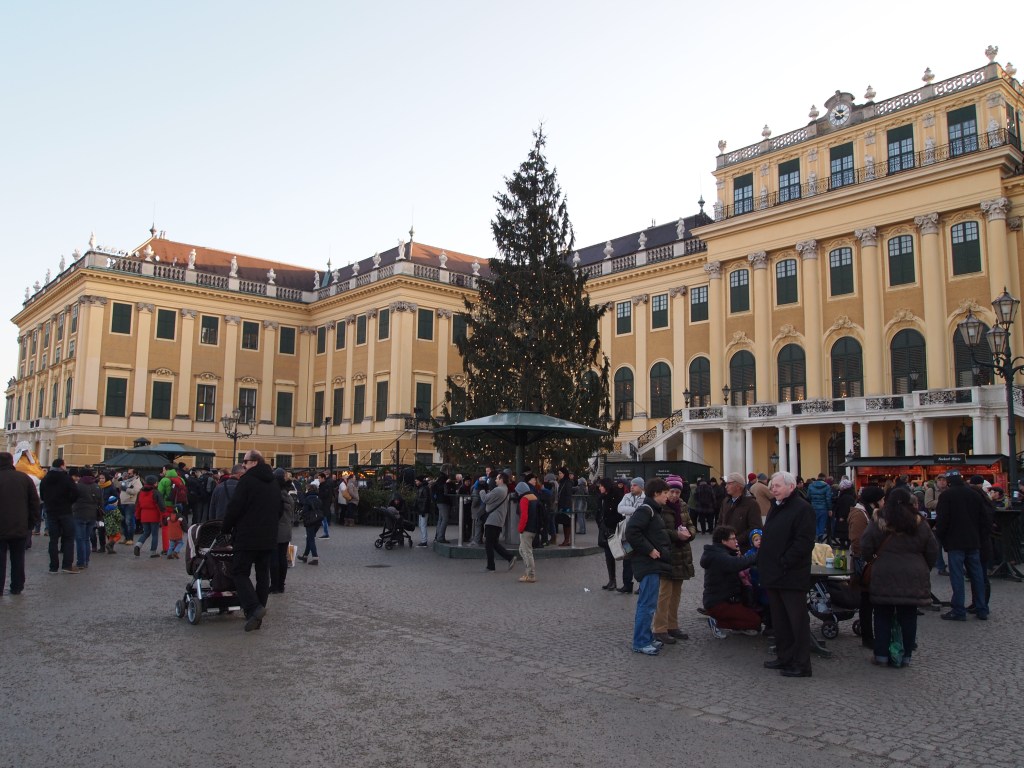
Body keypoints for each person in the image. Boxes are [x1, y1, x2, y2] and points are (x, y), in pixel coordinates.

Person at [860, 487, 939, 667]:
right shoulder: (919, 521)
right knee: (909, 616)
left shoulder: (879, 519)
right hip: (913, 573)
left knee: (882, 614)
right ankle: (906, 655)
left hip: (884, 572)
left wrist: (871, 559)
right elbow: (932, 549)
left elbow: (866, 544)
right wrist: (923, 566)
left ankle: (881, 654)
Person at [758, 471, 816, 678]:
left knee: (796, 621)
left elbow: (804, 542)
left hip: (790, 574)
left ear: (791, 487)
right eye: (772, 485)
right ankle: (784, 657)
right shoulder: (776, 506)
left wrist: (785, 561)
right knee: (780, 620)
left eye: (777, 485)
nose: (773, 488)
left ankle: (801, 664)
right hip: (774, 573)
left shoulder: (803, 509)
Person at [222, 450, 282, 632]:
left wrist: (225, 527)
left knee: (239, 572)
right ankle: (257, 615)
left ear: (254, 462)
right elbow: (279, 510)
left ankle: (253, 608)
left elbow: (235, 507)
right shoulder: (273, 482)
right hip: (269, 536)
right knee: (263, 574)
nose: (243, 464)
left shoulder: (246, 481)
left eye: (245, 461)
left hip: (247, 535)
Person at [624, 478, 672, 655]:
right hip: (647, 563)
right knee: (647, 604)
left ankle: (646, 637)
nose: (667, 496)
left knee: (649, 603)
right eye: (665, 493)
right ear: (656, 493)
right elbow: (632, 532)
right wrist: (650, 550)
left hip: (652, 563)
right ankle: (641, 641)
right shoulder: (646, 510)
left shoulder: (653, 510)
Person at [935, 470, 990, 621]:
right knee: (977, 576)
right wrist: (979, 536)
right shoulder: (974, 494)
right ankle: (981, 608)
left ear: (949, 482)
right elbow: (985, 520)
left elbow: (943, 520)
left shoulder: (946, 496)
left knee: (957, 576)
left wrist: (940, 536)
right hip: (973, 541)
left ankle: (959, 609)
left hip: (955, 542)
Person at [652, 474, 696, 644]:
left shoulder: (682, 506)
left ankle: (672, 625)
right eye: (672, 491)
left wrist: (690, 533)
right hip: (667, 554)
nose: (675, 495)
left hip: (682, 554)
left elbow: (690, 523)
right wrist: (677, 535)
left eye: (677, 492)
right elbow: (660, 530)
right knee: (664, 594)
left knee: (676, 593)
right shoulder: (661, 507)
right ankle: (660, 628)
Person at [700, 525, 761, 638]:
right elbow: (737, 564)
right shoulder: (719, 556)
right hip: (719, 602)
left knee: (754, 615)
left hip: (726, 599)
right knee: (755, 622)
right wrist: (758, 555)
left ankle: (731, 623)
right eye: (733, 539)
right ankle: (718, 622)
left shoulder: (719, 553)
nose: (736, 541)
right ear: (723, 541)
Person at [0, 451, 41, 595]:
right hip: (20, 526)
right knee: (18, 558)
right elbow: (35, 503)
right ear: (12, 462)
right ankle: (17, 586)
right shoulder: (24, 478)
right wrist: (31, 524)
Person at [848, 485, 884, 650]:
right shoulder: (859, 514)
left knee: (870, 601)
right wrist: (867, 558)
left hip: (868, 562)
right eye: (882, 499)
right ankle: (868, 635)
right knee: (866, 601)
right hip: (864, 563)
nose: (884, 502)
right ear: (874, 501)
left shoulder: (868, 513)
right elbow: (857, 541)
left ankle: (870, 633)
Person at [39, 458, 78, 574]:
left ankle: (53, 567)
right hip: (65, 511)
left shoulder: (45, 479)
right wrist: (69, 502)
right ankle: (67, 565)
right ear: (61, 466)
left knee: (53, 540)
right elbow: (75, 493)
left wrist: (49, 502)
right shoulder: (66, 478)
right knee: (69, 538)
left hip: (51, 511)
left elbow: (42, 495)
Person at [615, 477, 647, 593]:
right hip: (627, 534)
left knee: (640, 560)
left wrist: (628, 510)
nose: (632, 487)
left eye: (635, 485)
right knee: (627, 559)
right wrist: (635, 510)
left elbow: (644, 511)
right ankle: (627, 584)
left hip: (640, 535)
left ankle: (641, 586)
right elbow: (620, 508)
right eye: (631, 485)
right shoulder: (626, 496)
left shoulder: (645, 498)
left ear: (641, 487)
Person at [480, 471, 516, 571]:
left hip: (493, 519)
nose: (495, 480)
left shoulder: (498, 490)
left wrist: (482, 491)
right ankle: (509, 557)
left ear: (501, 480)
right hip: (498, 519)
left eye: (497, 478)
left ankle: (491, 566)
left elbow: (485, 499)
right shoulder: (505, 489)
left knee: (489, 543)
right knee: (493, 542)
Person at [719, 472, 762, 548]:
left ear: (738, 486)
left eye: (729, 484)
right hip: (724, 546)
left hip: (743, 549)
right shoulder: (726, 501)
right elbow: (720, 522)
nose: (726, 486)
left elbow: (755, 527)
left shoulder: (751, 504)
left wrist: (735, 540)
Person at [71, 468, 103, 570]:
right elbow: (101, 502)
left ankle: (81, 562)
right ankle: (86, 561)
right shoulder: (97, 486)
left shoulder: (77, 486)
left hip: (79, 514)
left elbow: (71, 499)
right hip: (92, 515)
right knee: (86, 539)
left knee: (80, 539)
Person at [596, 477, 624, 590]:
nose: (599, 487)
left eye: (601, 485)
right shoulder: (602, 497)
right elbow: (599, 512)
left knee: (623, 554)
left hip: (615, 529)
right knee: (608, 555)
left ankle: (627, 582)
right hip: (605, 529)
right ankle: (612, 580)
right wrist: (601, 524)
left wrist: (610, 524)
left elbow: (618, 513)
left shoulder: (616, 495)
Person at [270, 468, 295, 591]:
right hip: (286, 529)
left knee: (274, 558)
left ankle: (275, 585)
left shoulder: (276, 495)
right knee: (282, 558)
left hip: (276, 529)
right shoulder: (288, 496)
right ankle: (281, 585)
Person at [134, 475, 166, 558]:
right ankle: (153, 552)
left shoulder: (140, 492)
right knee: (155, 534)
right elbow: (161, 505)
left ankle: (138, 545)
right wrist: (164, 515)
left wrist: (137, 516)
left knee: (146, 532)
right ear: (155, 483)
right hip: (154, 515)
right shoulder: (156, 492)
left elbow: (137, 505)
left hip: (144, 514)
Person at [923, 473, 949, 576]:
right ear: (936, 481)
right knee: (937, 545)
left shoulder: (948, 490)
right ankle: (941, 567)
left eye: (944, 480)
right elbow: (928, 503)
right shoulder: (931, 490)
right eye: (940, 480)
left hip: (947, 520)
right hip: (935, 520)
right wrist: (943, 501)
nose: (942, 482)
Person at [515, 481, 539, 583]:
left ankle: (530, 575)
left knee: (526, 552)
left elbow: (524, 515)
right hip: (534, 527)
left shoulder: (524, 499)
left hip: (527, 529)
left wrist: (520, 528)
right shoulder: (534, 497)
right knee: (523, 550)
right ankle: (528, 572)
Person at [298, 482, 324, 566]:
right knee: (310, 538)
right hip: (318, 520)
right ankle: (305, 556)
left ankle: (315, 557)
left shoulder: (307, 499)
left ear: (309, 490)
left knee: (311, 539)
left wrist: (303, 516)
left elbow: (305, 510)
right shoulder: (318, 498)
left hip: (310, 520)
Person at [118, 467, 142, 546]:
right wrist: (116, 479)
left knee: (129, 521)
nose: (128, 474)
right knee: (123, 521)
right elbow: (118, 485)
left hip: (130, 503)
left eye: (129, 473)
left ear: (134, 474)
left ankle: (130, 539)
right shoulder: (126, 480)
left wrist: (126, 489)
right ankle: (126, 537)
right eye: (127, 473)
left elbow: (135, 491)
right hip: (123, 502)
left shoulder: (137, 481)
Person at [831, 477, 856, 547]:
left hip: (843, 516)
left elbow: (845, 507)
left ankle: (844, 545)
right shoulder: (849, 495)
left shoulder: (845, 496)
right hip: (846, 516)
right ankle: (846, 544)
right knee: (846, 531)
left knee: (843, 531)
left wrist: (842, 516)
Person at [807, 473, 832, 541]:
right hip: (823, 508)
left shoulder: (811, 486)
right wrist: (830, 509)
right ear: (824, 478)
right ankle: (820, 536)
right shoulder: (827, 486)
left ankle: (817, 535)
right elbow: (828, 499)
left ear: (818, 477)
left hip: (813, 507)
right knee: (822, 523)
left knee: (815, 523)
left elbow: (808, 497)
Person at [433, 472, 451, 543]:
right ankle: (440, 537)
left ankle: (438, 536)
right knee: (445, 519)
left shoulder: (436, 485)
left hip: (439, 502)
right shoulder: (444, 485)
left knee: (440, 520)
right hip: (444, 502)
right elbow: (446, 492)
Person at [414, 475, 432, 546]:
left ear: (420, 481)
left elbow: (426, 500)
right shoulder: (422, 488)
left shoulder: (424, 488)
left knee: (422, 525)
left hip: (423, 510)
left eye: (417, 481)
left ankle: (424, 541)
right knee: (421, 525)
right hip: (421, 509)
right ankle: (423, 540)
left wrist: (424, 510)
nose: (416, 482)